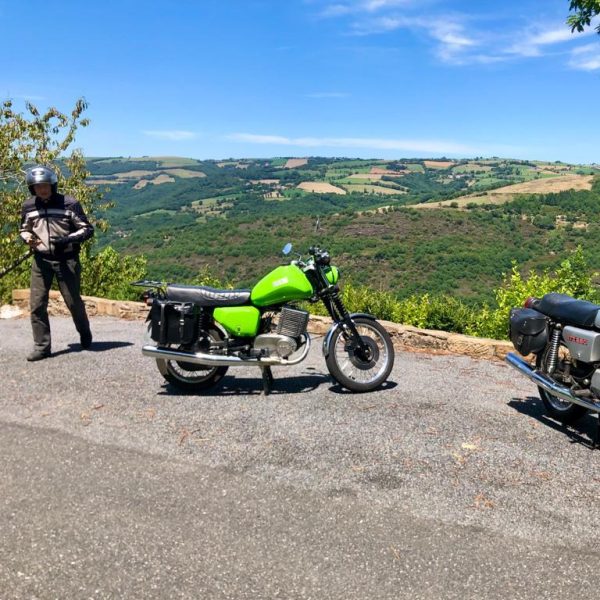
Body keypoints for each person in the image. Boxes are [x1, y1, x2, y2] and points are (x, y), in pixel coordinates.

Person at [19, 165, 94, 361]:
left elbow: (87, 229)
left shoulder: (69, 204)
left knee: (73, 302)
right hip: (41, 260)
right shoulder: (28, 207)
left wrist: (67, 239)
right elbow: (23, 229)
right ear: (32, 188)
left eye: (45, 185)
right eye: (37, 187)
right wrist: (28, 239)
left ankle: (84, 332)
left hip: (67, 260)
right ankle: (42, 346)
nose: (42, 190)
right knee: (37, 305)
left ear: (52, 184)